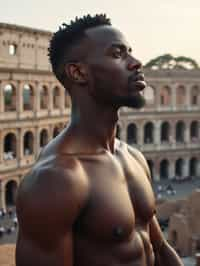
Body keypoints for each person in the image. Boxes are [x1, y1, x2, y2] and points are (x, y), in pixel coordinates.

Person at [16, 14, 183, 266]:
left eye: (131, 52)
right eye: (118, 54)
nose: (136, 63)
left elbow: (158, 249)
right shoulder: (54, 180)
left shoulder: (133, 157)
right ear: (78, 72)